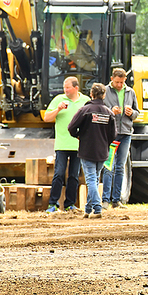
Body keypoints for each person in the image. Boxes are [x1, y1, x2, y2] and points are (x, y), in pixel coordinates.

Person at [68, 83, 117, 219]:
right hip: (102, 152)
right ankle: (88, 209)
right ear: (104, 95)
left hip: (87, 150)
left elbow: (71, 127)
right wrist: (105, 142)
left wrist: (78, 136)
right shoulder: (109, 113)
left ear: (91, 94)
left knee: (90, 179)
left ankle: (97, 208)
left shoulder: (85, 110)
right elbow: (113, 134)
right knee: (94, 179)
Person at [43, 76, 90, 213]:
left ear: (76, 88)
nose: (65, 90)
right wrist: (57, 109)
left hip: (78, 145)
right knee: (58, 173)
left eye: (68, 87)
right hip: (62, 144)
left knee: (74, 175)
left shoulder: (85, 101)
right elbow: (46, 118)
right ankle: (53, 204)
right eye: (64, 87)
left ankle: (70, 204)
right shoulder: (59, 99)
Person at [101, 68, 140, 209]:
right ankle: (105, 200)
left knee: (120, 167)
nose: (119, 85)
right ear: (112, 79)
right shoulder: (105, 91)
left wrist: (132, 113)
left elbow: (137, 112)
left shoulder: (131, 92)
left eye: (122, 82)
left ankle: (116, 200)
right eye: (117, 82)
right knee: (108, 166)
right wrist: (111, 111)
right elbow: (100, 110)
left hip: (126, 133)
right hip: (111, 134)